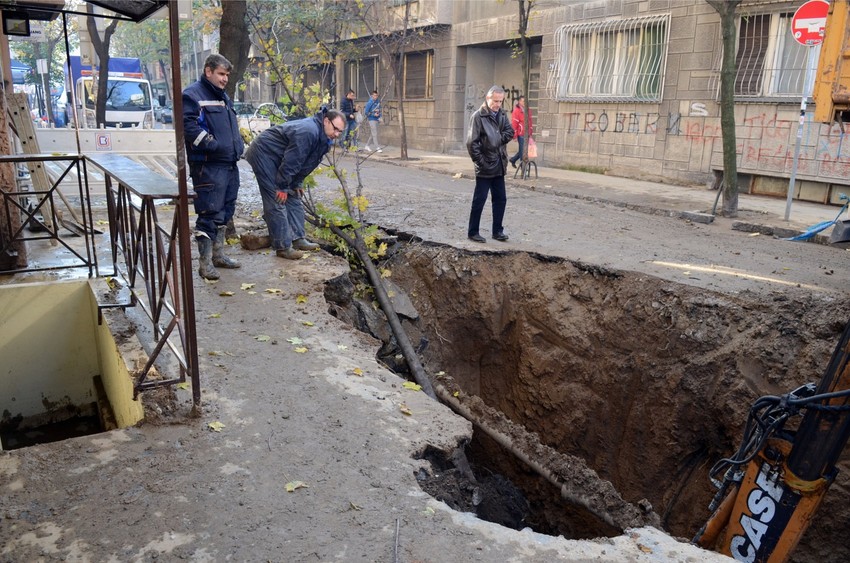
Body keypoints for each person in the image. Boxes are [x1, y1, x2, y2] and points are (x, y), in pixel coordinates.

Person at [244, 108, 347, 260]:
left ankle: (298, 238)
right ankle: (283, 247)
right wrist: (282, 186)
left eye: (341, 131)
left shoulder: (323, 140)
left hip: (280, 158)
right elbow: (292, 160)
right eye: (336, 129)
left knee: (294, 195)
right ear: (326, 121)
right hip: (263, 153)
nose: (337, 134)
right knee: (276, 198)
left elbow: (306, 164)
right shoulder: (308, 131)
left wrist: (297, 183)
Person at [183, 53, 245, 280]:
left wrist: (237, 144)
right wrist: (213, 145)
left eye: (227, 75)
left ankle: (219, 256)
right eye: (221, 73)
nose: (225, 78)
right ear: (208, 71)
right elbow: (188, 127)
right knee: (209, 213)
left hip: (228, 165)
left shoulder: (222, 96)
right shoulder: (192, 95)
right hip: (209, 166)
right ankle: (205, 263)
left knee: (225, 212)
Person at [466, 85, 514, 243]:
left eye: (500, 101)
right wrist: (481, 162)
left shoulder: (501, 114)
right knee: (479, 200)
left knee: (500, 199)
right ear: (488, 98)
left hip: (499, 164)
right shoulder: (478, 116)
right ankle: (473, 232)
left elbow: (510, 132)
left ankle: (497, 231)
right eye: (495, 101)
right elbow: (472, 143)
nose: (498, 104)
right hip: (485, 165)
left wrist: (497, 139)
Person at [509, 95, 533, 169]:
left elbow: (530, 122)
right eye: (523, 101)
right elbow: (514, 125)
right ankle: (523, 167)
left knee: (524, 150)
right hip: (521, 134)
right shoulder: (516, 111)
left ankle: (513, 160)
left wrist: (531, 133)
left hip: (527, 133)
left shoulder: (528, 110)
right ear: (519, 102)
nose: (525, 103)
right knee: (523, 150)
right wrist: (515, 136)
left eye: (526, 101)